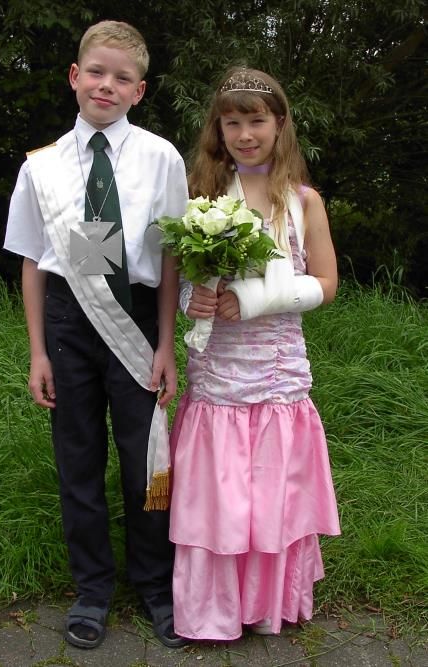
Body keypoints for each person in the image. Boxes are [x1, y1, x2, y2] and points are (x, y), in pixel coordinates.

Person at [4, 21, 188, 650]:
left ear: (140, 91)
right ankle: (91, 590)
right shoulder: (43, 167)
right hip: (68, 324)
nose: (107, 85)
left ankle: (157, 586)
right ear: (74, 77)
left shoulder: (161, 158)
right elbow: (33, 261)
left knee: (147, 462)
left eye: (122, 78)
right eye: (97, 73)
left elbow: (171, 257)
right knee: (78, 459)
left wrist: (166, 344)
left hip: (136, 319)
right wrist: (37, 351)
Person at [169, 66, 340, 640]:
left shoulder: (304, 202)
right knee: (220, 494)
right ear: (218, 129)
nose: (245, 134)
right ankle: (212, 609)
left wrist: (255, 299)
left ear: (280, 123)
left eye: (257, 121)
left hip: (276, 373)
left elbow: (326, 284)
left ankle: (267, 606)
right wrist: (194, 299)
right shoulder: (202, 199)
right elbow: (184, 282)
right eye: (232, 123)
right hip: (219, 373)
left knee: (273, 489)